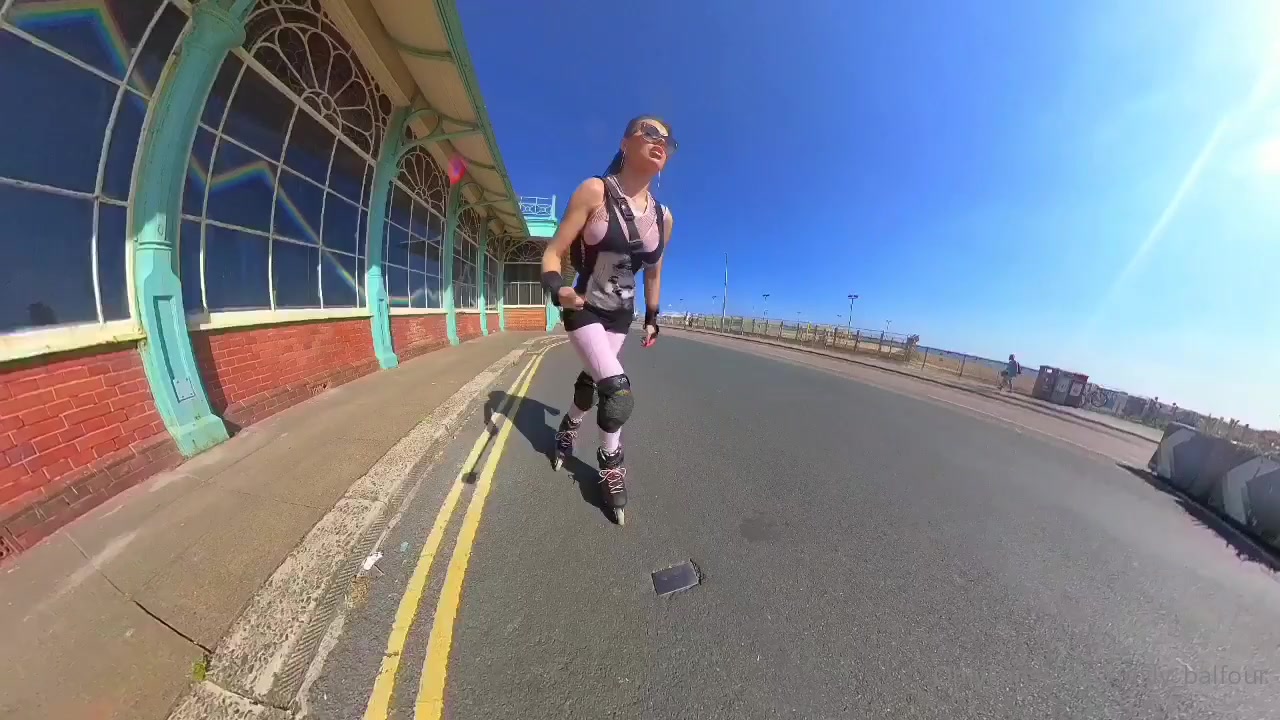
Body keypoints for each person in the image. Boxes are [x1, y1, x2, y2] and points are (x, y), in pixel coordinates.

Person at [540, 116, 676, 525]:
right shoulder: (594, 191)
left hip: (621, 317)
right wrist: (557, 289)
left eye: (667, 140)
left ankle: (569, 425)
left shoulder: (664, 218)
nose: (660, 142)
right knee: (617, 392)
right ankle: (610, 464)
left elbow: (653, 273)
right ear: (625, 143)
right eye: (649, 133)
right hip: (583, 305)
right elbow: (553, 252)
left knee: (592, 381)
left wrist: (652, 317)